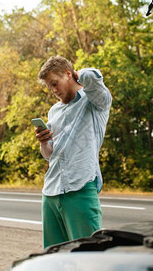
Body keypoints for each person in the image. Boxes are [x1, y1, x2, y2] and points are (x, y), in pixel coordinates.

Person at [35, 55, 112, 249]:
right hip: (51, 191)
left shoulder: (95, 101)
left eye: (55, 83)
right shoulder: (54, 111)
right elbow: (50, 154)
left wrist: (79, 75)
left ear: (68, 74)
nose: (53, 90)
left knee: (88, 257)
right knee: (53, 259)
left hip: (80, 188)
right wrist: (44, 143)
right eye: (49, 87)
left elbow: (94, 78)